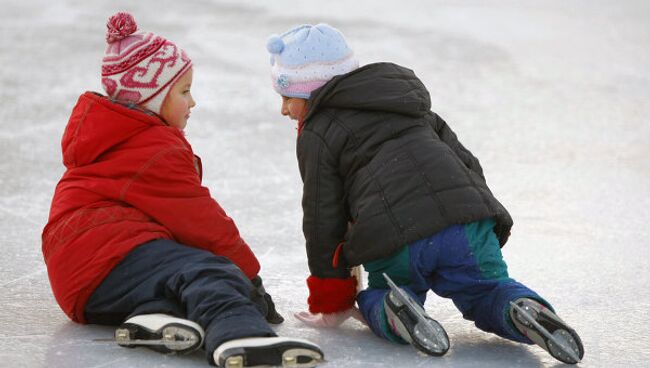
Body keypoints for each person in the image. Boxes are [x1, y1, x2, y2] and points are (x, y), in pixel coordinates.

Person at [265, 23, 585, 364]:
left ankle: (394, 310)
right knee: (487, 291)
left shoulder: (318, 132)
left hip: (394, 238)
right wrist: (489, 223)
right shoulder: (410, 105)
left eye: (288, 98)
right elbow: (467, 163)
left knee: (385, 293)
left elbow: (322, 217)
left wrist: (333, 299)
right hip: (467, 222)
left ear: (314, 93)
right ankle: (521, 309)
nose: (284, 109)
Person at [41, 12, 323, 368]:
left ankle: (152, 319)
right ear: (150, 99)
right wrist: (249, 277)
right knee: (210, 272)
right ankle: (240, 334)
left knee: (173, 279)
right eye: (184, 91)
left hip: (80, 280)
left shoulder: (112, 138)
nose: (193, 103)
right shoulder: (155, 147)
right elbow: (202, 223)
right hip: (108, 255)